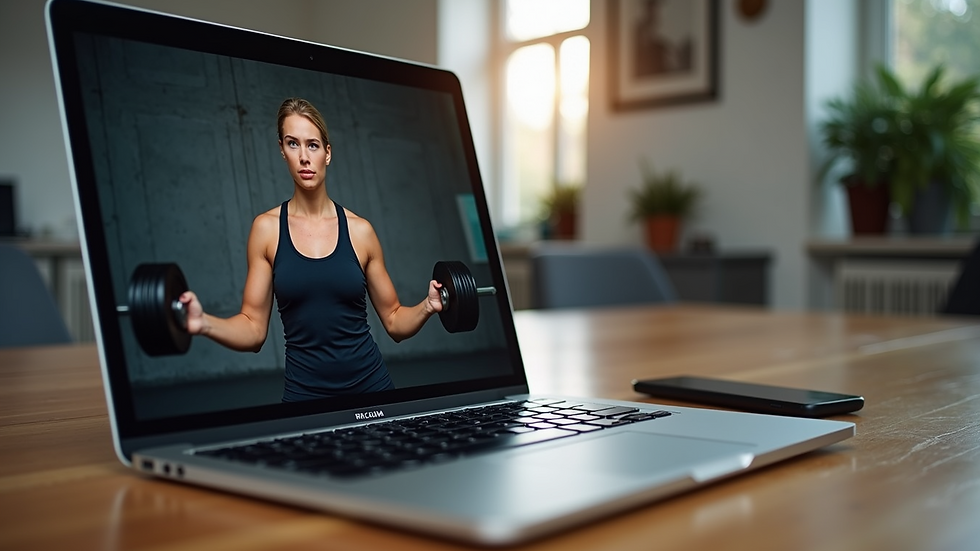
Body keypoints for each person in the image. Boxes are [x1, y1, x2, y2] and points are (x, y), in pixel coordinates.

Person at [178, 97, 444, 401]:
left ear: (327, 153)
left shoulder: (360, 231)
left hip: (373, 394)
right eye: (293, 144)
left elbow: (395, 321)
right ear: (282, 149)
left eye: (313, 145)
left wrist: (428, 305)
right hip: (304, 398)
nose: (304, 157)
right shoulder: (266, 230)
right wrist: (203, 323)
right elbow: (253, 331)